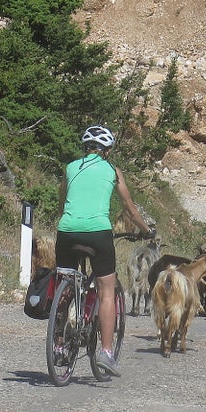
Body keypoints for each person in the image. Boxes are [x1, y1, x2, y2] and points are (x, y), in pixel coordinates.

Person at [55, 125, 154, 376]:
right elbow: (130, 208)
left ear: (84, 148)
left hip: (67, 231)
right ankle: (106, 353)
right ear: (107, 151)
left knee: (65, 284)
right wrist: (146, 230)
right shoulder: (112, 170)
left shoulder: (70, 168)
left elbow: (62, 202)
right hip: (98, 233)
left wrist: (66, 223)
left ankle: (58, 345)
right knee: (106, 289)